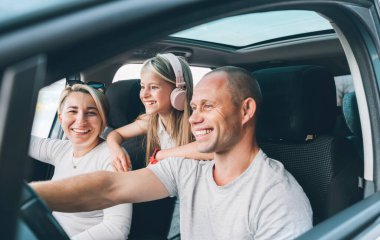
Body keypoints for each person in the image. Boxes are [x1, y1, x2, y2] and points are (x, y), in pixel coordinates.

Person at [32, 66, 313, 239]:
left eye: (207, 107)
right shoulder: (186, 169)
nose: (193, 119)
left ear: (246, 110)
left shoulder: (277, 196)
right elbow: (109, 187)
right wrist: (29, 198)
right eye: (193, 108)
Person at [29, 83, 132, 240]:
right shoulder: (61, 149)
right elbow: (19, 140)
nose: (81, 121)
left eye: (91, 113)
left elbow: (116, 229)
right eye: (72, 111)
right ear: (61, 117)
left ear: (103, 121)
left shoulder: (113, 157)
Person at [107, 53, 212, 173]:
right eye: (142, 86)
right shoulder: (151, 120)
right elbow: (114, 135)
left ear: (178, 90)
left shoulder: (196, 119)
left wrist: (161, 155)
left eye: (154, 87)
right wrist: (116, 149)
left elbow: (214, 150)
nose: (144, 95)